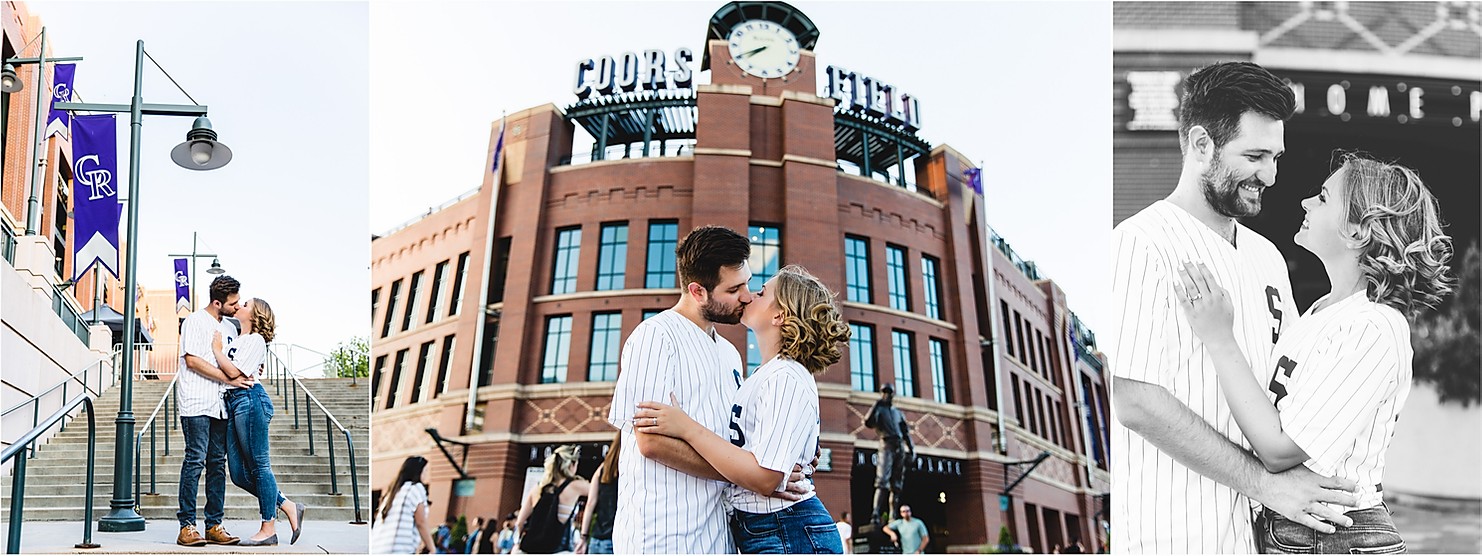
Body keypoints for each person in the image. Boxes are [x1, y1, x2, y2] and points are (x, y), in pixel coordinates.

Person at [1110, 61, 1361, 553]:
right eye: (1254, 156)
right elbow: (1133, 400)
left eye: (1276, 157)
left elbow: (1289, 390)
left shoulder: (1267, 256)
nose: (1269, 175)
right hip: (1171, 534)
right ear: (1202, 146)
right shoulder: (1140, 243)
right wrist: (1265, 484)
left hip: (1259, 536)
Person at [1177, 153, 1451, 553]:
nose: (1306, 203)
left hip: (1337, 535)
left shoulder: (1374, 327)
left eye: (1323, 197)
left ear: (1358, 232)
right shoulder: (1323, 310)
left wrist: (1220, 338)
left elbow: (1280, 450)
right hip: (1305, 528)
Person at [636, 264, 848, 554]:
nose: (748, 297)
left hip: (787, 530)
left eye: (760, 293)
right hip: (769, 528)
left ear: (780, 315)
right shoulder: (767, 374)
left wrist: (685, 427)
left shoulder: (785, 377)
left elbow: (765, 478)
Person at [605, 225, 754, 553]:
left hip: (717, 539)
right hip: (662, 539)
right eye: (734, 289)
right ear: (698, 291)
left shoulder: (730, 353)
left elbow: (734, 437)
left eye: (748, 282)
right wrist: (742, 471)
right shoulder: (655, 337)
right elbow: (651, 442)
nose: (747, 295)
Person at [211, 297, 306, 546]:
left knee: (259, 466)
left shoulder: (256, 340)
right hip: (232, 402)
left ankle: (268, 528)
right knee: (239, 474)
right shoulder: (237, 338)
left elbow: (234, 373)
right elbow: (230, 372)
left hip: (249, 400)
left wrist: (217, 351)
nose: (239, 305)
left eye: (245, 303)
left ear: (254, 315)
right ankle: (287, 504)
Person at [175, 275, 249, 546]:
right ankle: (186, 526)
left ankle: (214, 525)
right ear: (217, 302)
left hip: (221, 405)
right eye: (233, 303)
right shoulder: (195, 321)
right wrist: (227, 378)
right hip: (196, 402)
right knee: (195, 460)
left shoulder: (230, 327)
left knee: (217, 465)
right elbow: (193, 361)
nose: (237, 306)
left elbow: (233, 361)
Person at [515, 445, 589, 554]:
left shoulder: (538, 488)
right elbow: (601, 491)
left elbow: (519, 523)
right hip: (557, 550)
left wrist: (516, 544)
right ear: (571, 465)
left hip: (528, 549)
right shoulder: (575, 486)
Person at [865, 383, 914, 523]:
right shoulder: (878, 410)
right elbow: (868, 422)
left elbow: (905, 433)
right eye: (884, 392)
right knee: (882, 481)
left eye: (889, 392)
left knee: (897, 484)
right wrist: (875, 405)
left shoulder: (898, 413)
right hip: (886, 445)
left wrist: (912, 449)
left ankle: (893, 515)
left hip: (899, 447)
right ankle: (875, 514)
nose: (887, 394)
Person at [372, 456, 437, 553]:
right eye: (425, 471)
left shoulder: (393, 492)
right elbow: (421, 522)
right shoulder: (415, 488)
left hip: (378, 547)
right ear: (418, 471)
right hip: (399, 549)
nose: (426, 475)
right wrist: (432, 548)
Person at [577, 438, 620, 554]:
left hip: (595, 539)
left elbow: (590, 504)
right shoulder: (628, 469)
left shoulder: (602, 469)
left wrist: (583, 537)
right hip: (614, 539)